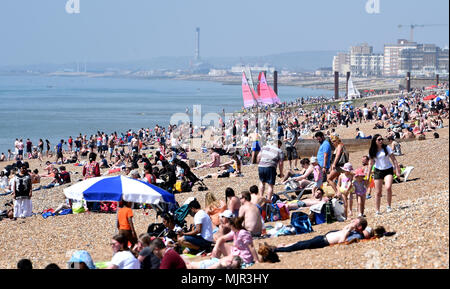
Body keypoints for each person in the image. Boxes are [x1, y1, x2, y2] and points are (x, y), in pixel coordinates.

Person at [271, 217, 368, 253]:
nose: (352, 221)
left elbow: (342, 242)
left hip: (324, 242)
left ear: (359, 227)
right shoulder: (354, 231)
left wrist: (348, 229)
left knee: (301, 246)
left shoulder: (357, 236)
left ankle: (277, 249)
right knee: (302, 243)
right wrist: (349, 228)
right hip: (322, 237)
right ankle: (284, 246)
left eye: (355, 221)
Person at [367, 134, 401, 216]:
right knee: (378, 192)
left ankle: (388, 206)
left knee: (388, 187)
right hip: (378, 171)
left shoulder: (386, 148)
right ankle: (377, 210)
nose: (381, 141)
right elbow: (370, 163)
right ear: (375, 141)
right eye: (379, 139)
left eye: (381, 139)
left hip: (388, 169)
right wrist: (368, 175)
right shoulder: (372, 150)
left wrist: (397, 170)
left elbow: (394, 159)